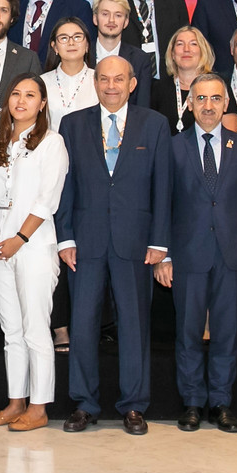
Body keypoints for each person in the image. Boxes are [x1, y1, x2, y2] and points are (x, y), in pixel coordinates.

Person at [55, 56, 171, 434]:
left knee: (134, 325)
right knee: (82, 324)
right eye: (104, 79)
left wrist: (160, 241)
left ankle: (134, 405)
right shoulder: (72, 124)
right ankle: (84, 404)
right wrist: (65, 236)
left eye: (119, 79)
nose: (110, 86)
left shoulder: (154, 124)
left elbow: (163, 186)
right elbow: (65, 185)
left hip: (135, 242)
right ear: (95, 83)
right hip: (85, 240)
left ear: (132, 84)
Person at [160, 74, 237, 433]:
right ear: (189, 104)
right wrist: (163, 256)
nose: (208, 106)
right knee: (188, 332)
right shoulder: (172, 147)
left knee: (225, 332)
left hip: (232, 254)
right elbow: (163, 205)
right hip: (187, 254)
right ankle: (192, 402)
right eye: (201, 99)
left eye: (215, 99)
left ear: (226, 104)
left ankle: (221, 402)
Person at [0, 76, 67, 433]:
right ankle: (15, 401)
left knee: (35, 330)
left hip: (33, 247)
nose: (21, 100)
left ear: (42, 103)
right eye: (15, 94)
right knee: (11, 331)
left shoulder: (52, 142)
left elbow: (48, 200)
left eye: (30, 95)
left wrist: (19, 237)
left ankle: (39, 406)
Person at [89, 0, 152, 106]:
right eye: (105, 14)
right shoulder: (82, 54)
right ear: (95, 18)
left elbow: (142, 106)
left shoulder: (140, 59)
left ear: (126, 22)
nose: (111, 20)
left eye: (118, 15)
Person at [153, 25, 216, 134]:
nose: (186, 49)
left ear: (202, 51)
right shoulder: (158, 89)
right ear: (172, 53)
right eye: (180, 44)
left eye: (193, 44)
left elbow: (229, 134)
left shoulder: (217, 86)